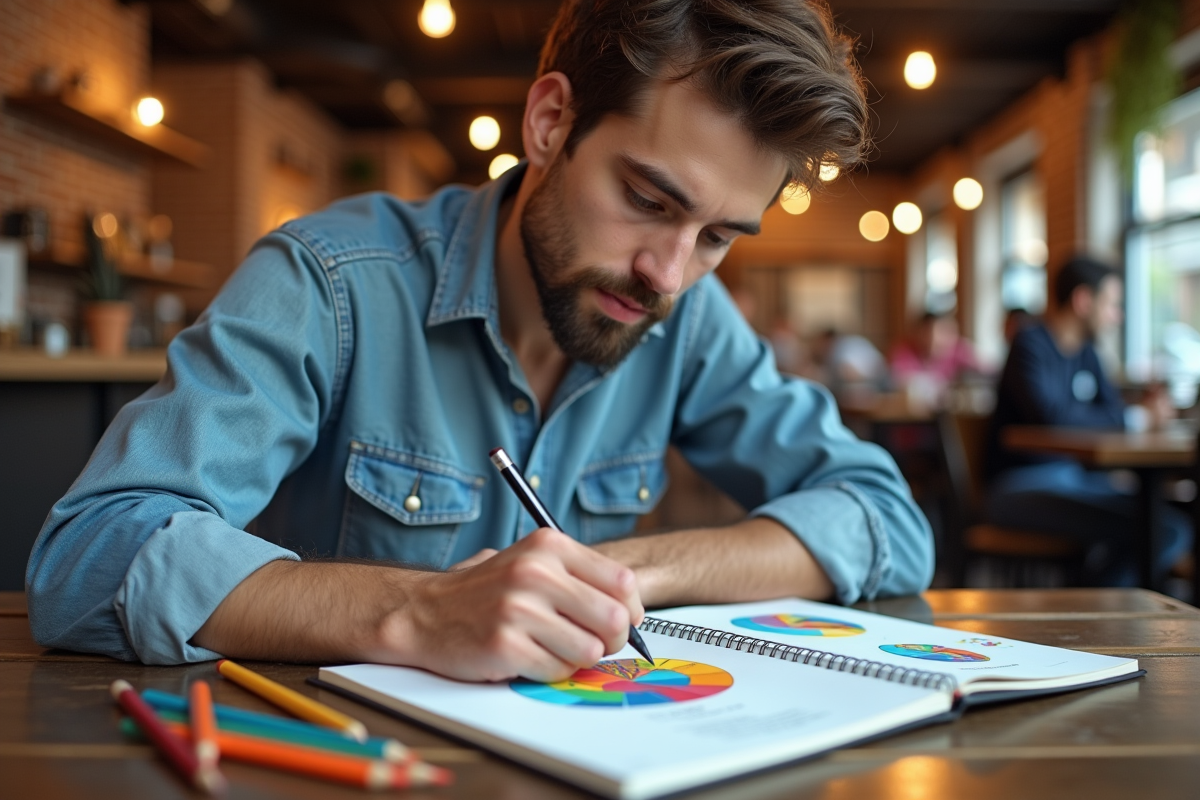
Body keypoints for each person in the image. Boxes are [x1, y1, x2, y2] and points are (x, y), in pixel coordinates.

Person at [26, 0, 933, 679]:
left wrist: (617, 576)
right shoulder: (331, 282)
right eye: (650, 201)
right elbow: (89, 553)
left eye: (720, 236)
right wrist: (419, 611)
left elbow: (882, 515)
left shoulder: (687, 318)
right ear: (550, 125)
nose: (669, 273)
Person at [982, 256, 1189, 586]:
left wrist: (1135, 413)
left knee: (1168, 521)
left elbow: (1112, 409)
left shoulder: (1087, 352)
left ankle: (1094, 595)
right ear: (1083, 300)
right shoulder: (1030, 344)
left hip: (1075, 479)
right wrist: (1137, 416)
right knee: (1164, 529)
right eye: (1112, 304)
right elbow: (1051, 417)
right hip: (1017, 486)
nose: (1117, 316)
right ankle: (1101, 609)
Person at [890, 312, 979, 406]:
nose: (936, 338)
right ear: (918, 333)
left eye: (946, 332)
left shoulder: (960, 349)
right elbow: (900, 383)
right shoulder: (904, 350)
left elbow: (987, 373)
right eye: (929, 332)